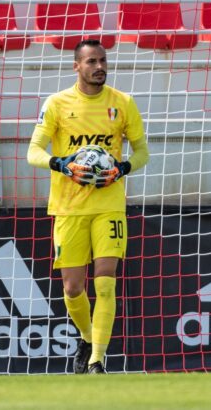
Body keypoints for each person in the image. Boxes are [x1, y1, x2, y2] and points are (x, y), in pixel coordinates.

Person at [26, 39, 149, 374]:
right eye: (92, 61)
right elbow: (33, 151)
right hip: (68, 207)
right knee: (73, 287)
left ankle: (97, 360)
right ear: (76, 66)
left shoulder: (123, 103)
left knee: (106, 280)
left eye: (103, 60)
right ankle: (86, 336)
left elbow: (141, 153)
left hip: (109, 204)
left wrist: (122, 168)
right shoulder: (57, 103)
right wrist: (62, 163)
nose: (100, 67)